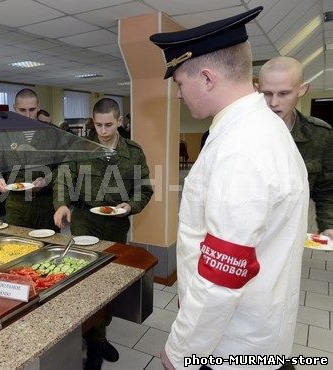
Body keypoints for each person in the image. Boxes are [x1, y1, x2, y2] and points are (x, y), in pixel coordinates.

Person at [150, 6, 308, 370]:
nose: (178, 95)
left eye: (179, 83)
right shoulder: (263, 129)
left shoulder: (240, 149)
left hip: (232, 345)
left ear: (206, 78)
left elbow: (223, 272)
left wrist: (182, 350)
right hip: (258, 330)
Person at [53, 98, 153, 369]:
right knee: (87, 279)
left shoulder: (133, 152)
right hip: (85, 219)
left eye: (109, 124)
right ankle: (94, 341)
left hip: (115, 223)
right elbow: (63, 176)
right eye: (98, 125)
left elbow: (144, 188)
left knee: (108, 282)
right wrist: (62, 203)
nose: (104, 131)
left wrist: (129, 206)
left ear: (119, 121)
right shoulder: (80, 147)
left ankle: (99, 333)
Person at [258, 56, 333, 238]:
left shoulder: (319, 134)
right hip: (246, 235)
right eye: (267, 93)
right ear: (256, 90)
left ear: (302, 90)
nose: (274, 103)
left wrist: (328, 225)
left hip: (290, 235)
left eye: (283, 93)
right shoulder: (240, 132)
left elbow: (327, 189)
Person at [0, 88, 58, 230]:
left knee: (48, 246)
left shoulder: (52, 133)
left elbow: (63, 167)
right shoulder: (4, 134)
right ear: (14, 108)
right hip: (16, 204)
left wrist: (46, 180)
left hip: (46, 204)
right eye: (22, 110)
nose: (28, 115)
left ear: (38, 107)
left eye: (32, 109)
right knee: (18, 246)